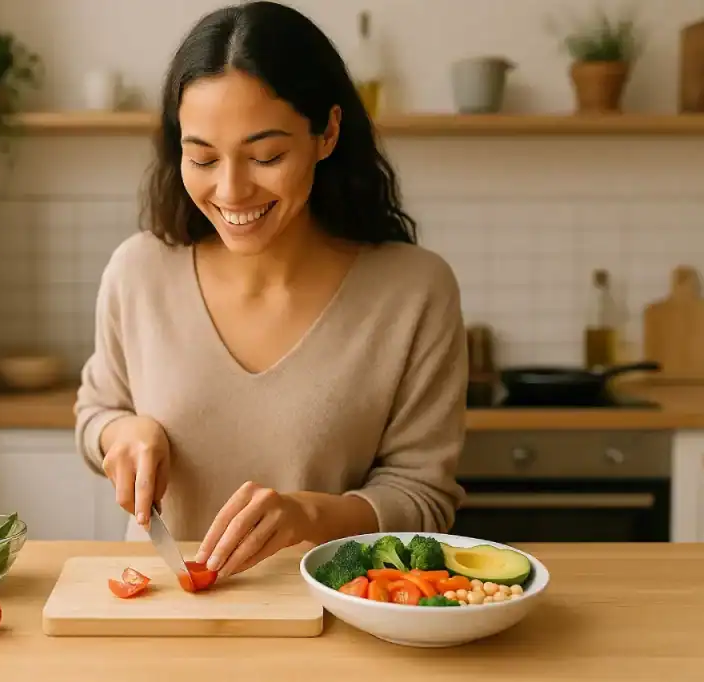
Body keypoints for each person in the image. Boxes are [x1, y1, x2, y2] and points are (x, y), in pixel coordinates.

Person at [73, 1, 467, 581]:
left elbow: (425, 499)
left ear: (327, 133)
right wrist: (122, 433)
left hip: (336, 619)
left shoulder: (415, 291)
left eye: (266, 156)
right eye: (202, 157)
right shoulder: (138, 272)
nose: (231, 191)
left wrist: (309, 514)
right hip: (162, 621)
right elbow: (96, 411)